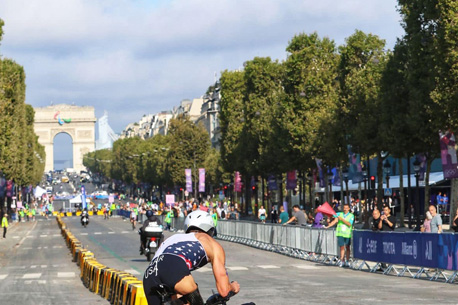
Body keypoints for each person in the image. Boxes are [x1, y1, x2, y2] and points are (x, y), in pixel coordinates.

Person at [143, 210, 240, 305]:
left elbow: (164, 269)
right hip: (173, 265)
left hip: (149, 275)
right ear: (210, 229)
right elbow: (224, 290)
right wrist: (233, 287)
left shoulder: (174, 238)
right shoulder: (210, 242)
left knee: (181, 298)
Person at [325, 203, 354, 267]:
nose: (345, 209)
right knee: (342, 247)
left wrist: (342, 219)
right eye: (344, 208)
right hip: (340, 233)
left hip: (347, 234)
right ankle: (342, 260)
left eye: (346, 208)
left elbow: (349, 224)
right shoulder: (340, 214)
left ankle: (347, 260)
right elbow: (334, 219)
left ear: (349, 209)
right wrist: (328, 225)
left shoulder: (351, 215)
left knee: (347, 247)